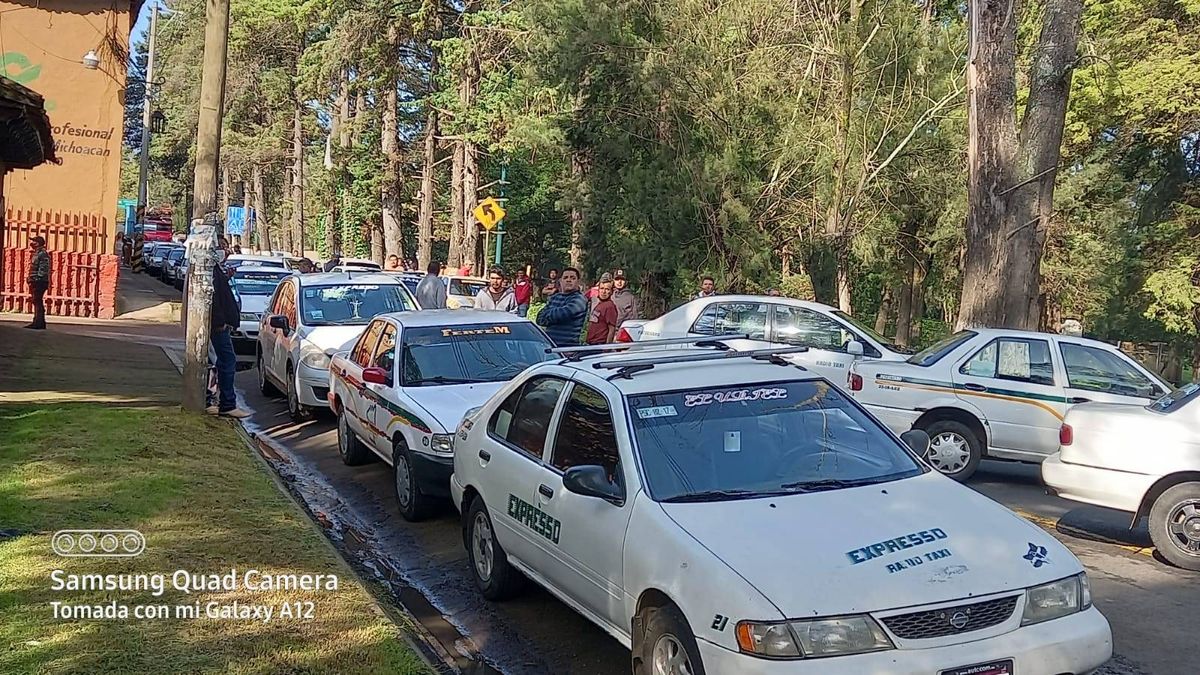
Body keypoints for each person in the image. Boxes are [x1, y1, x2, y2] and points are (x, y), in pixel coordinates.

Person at [208, 240, 250, 418]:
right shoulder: (211, 272)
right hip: (218, 326)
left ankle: (214, 399)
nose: (225, 251)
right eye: (222, 247)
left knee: (220, 362)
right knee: (227, 361)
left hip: (221, 324)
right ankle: (227, 403)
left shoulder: (217, 271)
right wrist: (220, 322)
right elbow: (214, 299)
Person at [536, 267, 588, 347]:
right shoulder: (555, 297)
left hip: (567, 349)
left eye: (573, 278)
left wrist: (549, 313)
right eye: (565, 278)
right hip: (550, 346)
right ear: (560, 281)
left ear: (578, 282)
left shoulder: (579, 299)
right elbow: (539, 319)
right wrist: (554, 314)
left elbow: (562, 314)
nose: (569, 280)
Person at [26, 236, 51, 330]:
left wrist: (37, 279)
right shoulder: (37, 253)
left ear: (38, 243)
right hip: (35, 280)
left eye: (34, 241)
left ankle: (39, 322)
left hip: (40, 282)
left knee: (38, 301)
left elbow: (43, 268)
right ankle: (37, 321)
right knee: (36, 301)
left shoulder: (42, 254)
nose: (32, 243)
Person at [586, 277, 619, 345]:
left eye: (607, 289)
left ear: (611, 291)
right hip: (591, 344)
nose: (603, 292)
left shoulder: (610, 306)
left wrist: (607, 348)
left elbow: (611, 329)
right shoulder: (600, 304)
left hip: (600, 345)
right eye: (602, 288)